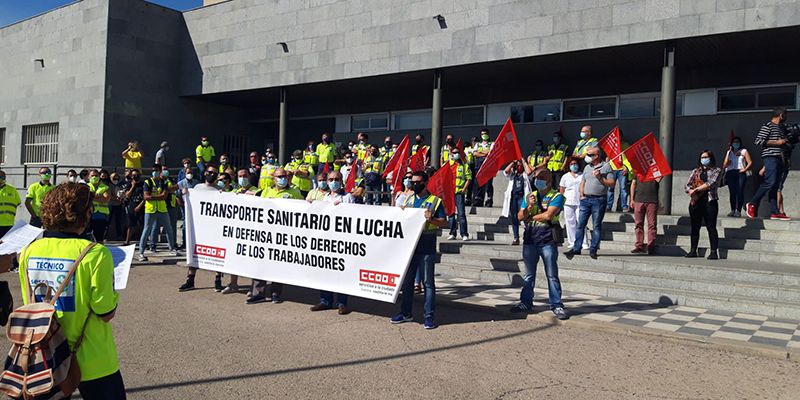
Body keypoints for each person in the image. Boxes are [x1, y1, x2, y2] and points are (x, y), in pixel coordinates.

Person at [18, 183, 126, 398]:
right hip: (93, 357)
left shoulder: (29, 251)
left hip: (45, 352)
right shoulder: (95, 253)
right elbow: (105, 313)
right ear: (86, 214)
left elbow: (30, 301)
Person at [508, 168, 569, 320]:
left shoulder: (557, 196)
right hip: (530, 239)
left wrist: (530, 217)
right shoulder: (530, 196)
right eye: (536, 178)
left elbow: (548, 215)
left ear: (549, 180)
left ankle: (556, 305)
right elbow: (520, 216)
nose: (537, 181)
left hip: (547, 239)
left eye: (541, 178)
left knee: (552, 274)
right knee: (528, 275)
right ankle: (525, 302)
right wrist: (528, 207)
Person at [391, 171, 448, 329]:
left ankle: (429, 316)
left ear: (425, 182)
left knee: (428, 283)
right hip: (409, 247)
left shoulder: (435, 201)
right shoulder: (408, 199)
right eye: (411, 181)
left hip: (426, 245)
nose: (414, 184)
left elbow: (445, 223)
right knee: (407, 282)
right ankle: (406, 313)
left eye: (417, 181)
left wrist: (432, 219)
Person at [249, 167, 301, 304]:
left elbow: (303, 211)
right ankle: (258, 293)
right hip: (265, 233)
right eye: (279, 176)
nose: (281, 179)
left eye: (284, 176)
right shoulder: (266, 191)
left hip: (283, 235)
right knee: (260, 263)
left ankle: (275, 293)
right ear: (273, 178)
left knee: (278, 265)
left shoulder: (295, 193)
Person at [308, 170, 354, 313]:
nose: (333, 182)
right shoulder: (324, 198)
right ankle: (325, 300)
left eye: (337, 179)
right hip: (326, 240)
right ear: (327, 182)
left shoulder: (348, 197)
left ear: (341, 181)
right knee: (325, 271)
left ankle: (342, 303)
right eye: (331, 179)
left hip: (342, 240)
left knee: (341, 272)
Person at [564, 146, 615, 260]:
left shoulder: (606, 167)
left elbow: (612, 183)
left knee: (596, 225)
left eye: (590, 155)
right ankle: (576, 248)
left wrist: (600, 178)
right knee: (580, 225)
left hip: (599, 200)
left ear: (597, 155)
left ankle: (593, 249)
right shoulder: (587, 167)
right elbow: (583, 181)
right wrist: (581, 194)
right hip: (585, 200)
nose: (587, 157)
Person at [179, 165, 224, 292]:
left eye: (215, 173)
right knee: (195, 252)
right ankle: (190, 280)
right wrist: (186, 194)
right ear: (205, 173)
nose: (212, 175)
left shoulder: (220, 190)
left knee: (218, 253)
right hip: (199, 228)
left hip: (214, 227)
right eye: (210, 172)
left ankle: (218, 280)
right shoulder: (197, 188)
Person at [747, 108, 790, 220]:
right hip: (770, 157)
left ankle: (774, 211)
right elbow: (758, 141)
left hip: (780, 158)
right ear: (781, 115)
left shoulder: (781, 128)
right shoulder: (768, 126)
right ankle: (752, 203)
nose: (785, 117)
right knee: (770, 182)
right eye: (785, 115)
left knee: (775, 186)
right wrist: (778, 142)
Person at [137, 164, 178, 262]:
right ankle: (141, 252)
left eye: (156, 170)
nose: (154, 172)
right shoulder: (148, 182)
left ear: (160, 171)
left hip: (162, 209)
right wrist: (157, 197)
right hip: (150, 209)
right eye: (153, 170)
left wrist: (153, 197)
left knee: (169, 229)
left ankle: (172, 248)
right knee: (146, 230)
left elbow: (164, 196)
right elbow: (146, 196)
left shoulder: (163, 182)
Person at [685, 151, 722, 260]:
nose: (704, 159)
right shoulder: (696, 171)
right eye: (702, 157)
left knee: (711, 227)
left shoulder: (716, 170)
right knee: (695, 227)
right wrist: (691, 192)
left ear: (711, 158)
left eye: (706, 157)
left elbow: (711, 183)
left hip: (710, 201)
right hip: (696, 201)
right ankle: (693, 250)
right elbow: (687, 185)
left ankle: (714, 251)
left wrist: (695, 190)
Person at [559, 158, 589, 252]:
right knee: (570, 223)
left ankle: (584, 243)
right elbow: (562, 189)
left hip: (580, 201)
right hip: (568, 202)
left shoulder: (582, 175)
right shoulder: (565, 176)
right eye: (572, 164)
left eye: (575, 163)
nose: (574, 165)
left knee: (581, 222)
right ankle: (572, 242)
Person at [629, 174, 661, 255]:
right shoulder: (638, 168)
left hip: (652, 200)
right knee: (638, 224)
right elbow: (633, 184)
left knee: (652, 224)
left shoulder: (656, 169)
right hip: (638, 199)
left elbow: (658, 180)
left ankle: (651, 246)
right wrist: (632, 199)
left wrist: (656, 173)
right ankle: (639, 245)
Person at [502, 159, 531, 246]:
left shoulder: (525, 175)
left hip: (522, 198)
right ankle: (516, 238)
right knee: (514, 218)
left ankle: (528, 236)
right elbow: (506, 171)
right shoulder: (512, 175)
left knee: (525, 216)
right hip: (513, 198)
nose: (519, 166)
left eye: (520, 165)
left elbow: (529, 172)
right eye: (517, 165)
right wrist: (512, 162)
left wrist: (523, 161)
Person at [722, 136, 753, 217]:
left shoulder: (744, 151)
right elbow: (724, 165)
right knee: (732, 192)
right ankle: (732, 210)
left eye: (737, 142)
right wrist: (728, 152)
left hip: (740, 172)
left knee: (740, 191)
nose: (736, 143)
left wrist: (745, 169)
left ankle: (738, 210)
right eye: (734, 142)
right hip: (730, 172)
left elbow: (750, 162)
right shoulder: (729, 152)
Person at [446, 147, 472, 241]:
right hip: (450, 193)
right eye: (453, 153)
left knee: (461, 214)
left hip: (459, 193)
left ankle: (464, 234)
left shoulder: (465, 166)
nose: (455, 154)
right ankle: (452, 233)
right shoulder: (449, 165)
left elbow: (469, 178)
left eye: (457, 152)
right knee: (451, 214)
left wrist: (464, 189)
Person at [607, 141, 633, 212]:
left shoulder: (625, 145)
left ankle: (624, 206)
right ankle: (608, 206)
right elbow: (608, 155)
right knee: (610, 188)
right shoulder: (611, 145)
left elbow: (628, 157)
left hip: (622, 169)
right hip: (612, 168)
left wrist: (626, 167)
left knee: (623, 188)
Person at [177, 166, 199, 249]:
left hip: (194, 207)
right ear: (185, 174)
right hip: (185, 206)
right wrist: (182, 205)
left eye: (191, 173)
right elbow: (177, 195)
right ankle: (184, 242)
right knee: (185, 225)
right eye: (188, 173)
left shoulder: (197, 183)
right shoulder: (181, 183)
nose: (190, 174)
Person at [87, 169, 111, 243]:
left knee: (99, 238)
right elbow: (84, 198)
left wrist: (92, 196)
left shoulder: (105, 187)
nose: (94, 177)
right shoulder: (86, 186)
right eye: (92, 175)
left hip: (100, 215)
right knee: (87, 237)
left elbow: (106, 199)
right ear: (88, 177)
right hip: (87, 215)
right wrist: (97, 196)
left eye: (96, 175)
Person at [122, 169, 145, 246]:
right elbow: (127, 195)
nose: (136, 177)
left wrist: (140, 205)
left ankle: (144, 241)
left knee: (143, 225)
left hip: (141, 206)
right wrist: (133, 186)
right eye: (134, 175)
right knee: (130, 224)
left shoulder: (143, 184)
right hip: (132, 206)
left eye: (137, 175)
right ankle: (127, 241)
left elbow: (145, 197)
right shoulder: (129, 184)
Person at [472, 129, 494, 207]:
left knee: (488, 184)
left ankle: (489, 199)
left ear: (488, 134)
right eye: (482, 134)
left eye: (485, 133)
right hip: (479, 166)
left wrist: (480, 153)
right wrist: (484, 154)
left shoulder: (492, 144)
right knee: (479, 183)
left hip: (488, 167)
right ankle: (479, 199)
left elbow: (491, 153)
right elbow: (474, 153)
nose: (483, 135)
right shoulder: (478, 144)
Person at [0, 170, 20, 237]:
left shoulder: (12, 190)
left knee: (7, 245)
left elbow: (17, 203)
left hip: (8, 223)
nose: (1, 178)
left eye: (2, 177)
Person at [108, 172, 125, 241]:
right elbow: (109, 196)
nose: (116, 179)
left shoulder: (120, 185)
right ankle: (105, 236)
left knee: (119, 221)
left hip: (118, 205)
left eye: (117, 177)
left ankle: (119, 236)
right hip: (111, 205)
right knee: (108, 221)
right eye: (114, 177)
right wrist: (117, 199)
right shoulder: (109, 185)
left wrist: (121, 199)